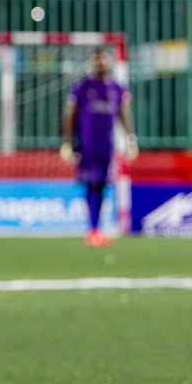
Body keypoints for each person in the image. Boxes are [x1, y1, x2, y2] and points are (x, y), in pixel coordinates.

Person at [61, 49, 136, 247]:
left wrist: (131, 140)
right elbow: (70, 114)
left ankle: (97, 229)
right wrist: (67, 142)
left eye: (103, 59)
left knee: (102, 186)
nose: (100, 63)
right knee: (91, 184)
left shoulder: (117, 89)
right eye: (96, 60)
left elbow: (124, 116)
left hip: (106, 147)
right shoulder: (83, 87)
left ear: (109, 62)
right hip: (87, 146)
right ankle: (93, 229)